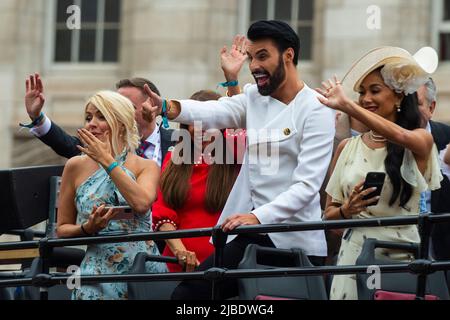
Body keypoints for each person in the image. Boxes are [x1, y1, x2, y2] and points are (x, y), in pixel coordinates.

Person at [142, 20, 335, 300]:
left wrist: (257, 216)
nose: (254, 66)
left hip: (293, 241)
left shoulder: (317, 108)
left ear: (289, 55)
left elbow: (307, 187)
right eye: (252, 58)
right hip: (249, 235)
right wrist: (166, 107)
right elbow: (214, 111)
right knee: (188, 296)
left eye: (263, 56)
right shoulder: (254, 97)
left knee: (192, 296)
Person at [317, 46, 443, 300]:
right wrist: (347, 210)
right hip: (354, 258)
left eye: (375, 91)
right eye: (361, 93)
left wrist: (349, 107)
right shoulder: (347, 147)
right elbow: (328, 217)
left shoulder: (418, 140)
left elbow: (399, 135)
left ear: (398, 97)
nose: (365, 99)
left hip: (401, 259)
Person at [55, 90, 167, 300]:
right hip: (96, 269)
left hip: (141, 267)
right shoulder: (75, 166)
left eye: (101, 116)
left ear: (122, 123)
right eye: (88, 118)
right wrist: (87, 228)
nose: (91, 124)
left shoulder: (146, 166)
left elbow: (141, 203)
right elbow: (62, 228)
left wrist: (108, 161)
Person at [153, 90, 241, 273]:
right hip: (177, 263)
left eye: (209, 124)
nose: (199, 129)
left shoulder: (236, 157)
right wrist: (181, 252)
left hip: (224, 264)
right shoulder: (174, 157)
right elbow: (163, 212)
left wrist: (232, 81)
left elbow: (243, 118)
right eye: (193, 123)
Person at [23, 74, 175, 166]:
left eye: (127, 106)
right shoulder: (100, 147)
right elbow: (64, 143)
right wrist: (37, 117)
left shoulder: (179, 142)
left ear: (153, 106)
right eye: (113, 109)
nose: (117, 114)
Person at [417, 78, 450, 260]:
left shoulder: (446, 137)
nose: (411, 111)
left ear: (431, 107)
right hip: (399, 250)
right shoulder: (391, 141)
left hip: (442, 251)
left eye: (418, 104)